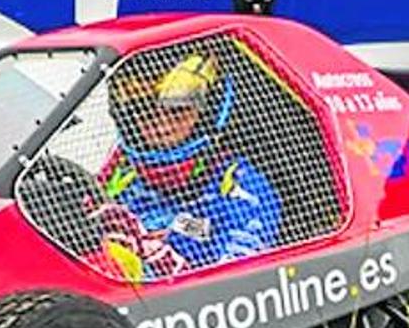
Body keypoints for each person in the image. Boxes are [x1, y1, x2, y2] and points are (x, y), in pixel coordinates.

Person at [94, 49, 282, 281]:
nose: (162, 126)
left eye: (178, 110)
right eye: (143, 112)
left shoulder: (239, 188)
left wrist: (161, 265)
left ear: (206, 111)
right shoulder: (119, 177)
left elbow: (238, 285)